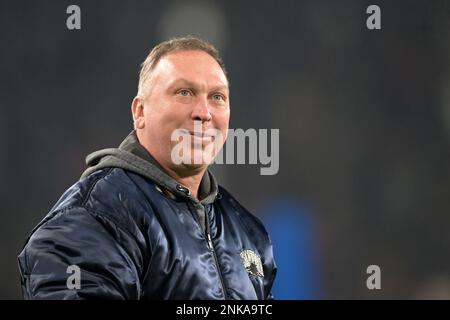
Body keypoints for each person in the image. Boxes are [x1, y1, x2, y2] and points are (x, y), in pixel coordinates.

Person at [18, 36, 277, 300]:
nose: (203, 112)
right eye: (184, 93)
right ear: (140, 112)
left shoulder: (247, 232)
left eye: (217, 97)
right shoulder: (91, 220)